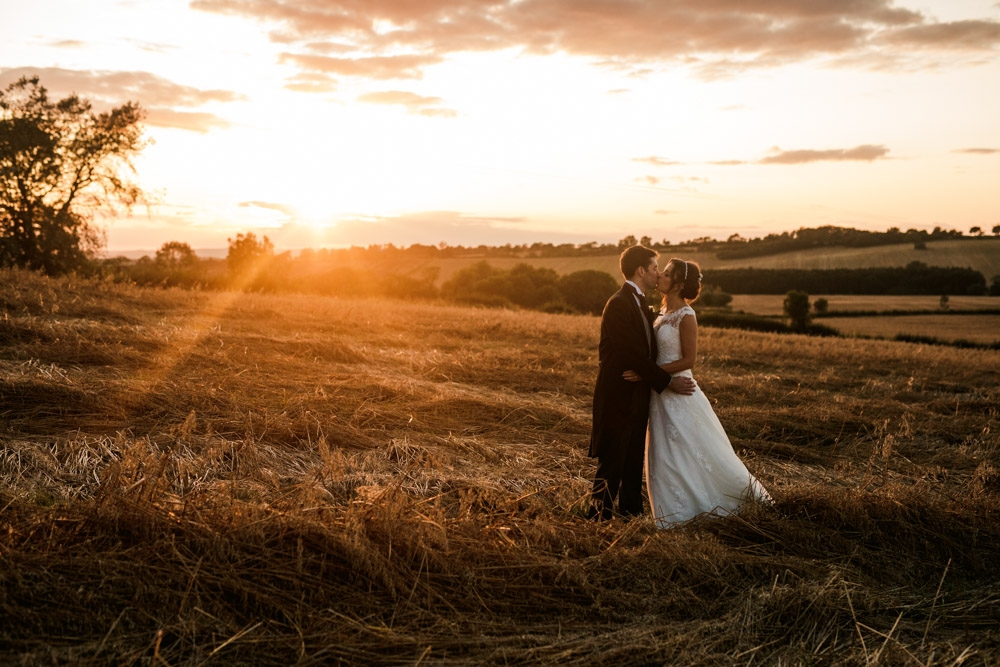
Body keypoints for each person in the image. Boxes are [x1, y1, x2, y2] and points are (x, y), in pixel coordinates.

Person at [625, 258, 771, 527]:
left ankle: (723, 502)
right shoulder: (661, 312)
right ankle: (673, 514)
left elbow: (688, 361)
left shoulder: (686, 316)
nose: (660, 276)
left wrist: (650, 374)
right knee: (666, 453)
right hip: (660, 393)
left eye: (667, 274)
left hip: (680, 390)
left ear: (679, 284)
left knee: (697, 449)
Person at [588, 246, 696, 521]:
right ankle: (597, 518)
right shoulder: (619, 303)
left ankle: (631, 516)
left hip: (637, 396)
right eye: (654, 268)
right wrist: (666, 381)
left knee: (632, 461)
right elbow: (629, 353)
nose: (657, 273)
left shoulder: (639, 302)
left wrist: (652, 377)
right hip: (618, 395)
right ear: (641, 271)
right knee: (612, 461)